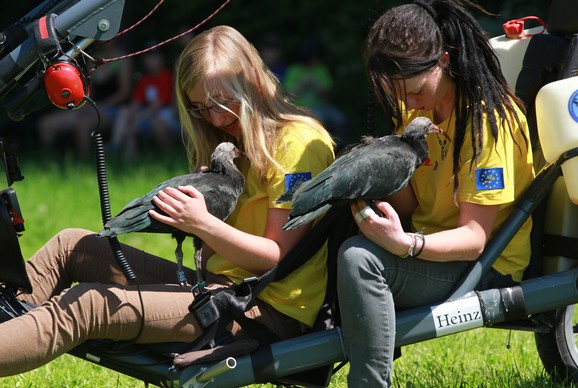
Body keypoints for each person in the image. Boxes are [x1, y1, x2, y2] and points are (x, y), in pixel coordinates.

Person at [0, 25, 335, 376]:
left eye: (225, 103)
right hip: (222, 288)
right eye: (201, 108)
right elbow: (211, 263)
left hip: (262, 310)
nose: (217, 118)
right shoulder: (233, 147)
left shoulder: (297, 144)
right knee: (72, 246)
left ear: (253, 80)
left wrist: (203, 223)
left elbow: (274, 258)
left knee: (88, 305)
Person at [336, 0, 535, 386]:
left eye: (413, 91)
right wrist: (361, 177)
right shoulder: (415, 112)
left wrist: (405, 244)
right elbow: (411, 203)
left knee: (360, 259)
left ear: (442, 60)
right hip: (432, 246)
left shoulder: (488, 121)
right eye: (397, 93)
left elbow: (475, 239)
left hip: (487, 265)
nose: (407, 104)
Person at [36, 40, 134, 156]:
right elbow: (88, 91)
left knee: (83, 124)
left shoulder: (122, 60)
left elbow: (124, 93)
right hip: (90, 106)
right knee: (46, 124)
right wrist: (85, 106)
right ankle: (50, 163)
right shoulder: (91, 59)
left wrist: (98, 106)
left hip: (114, 109)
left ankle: (85, 164)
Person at [109, 46, 180, 159]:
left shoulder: (167, 76)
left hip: (163, 114)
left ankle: (169, 157)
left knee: (153, 123)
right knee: (125, 112)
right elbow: (136, 103)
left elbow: (160, 104)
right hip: (148, 114)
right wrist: (132, 115)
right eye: (148, 57)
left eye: (155, 57)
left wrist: (139, 117)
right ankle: (120, 151)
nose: (151, 61)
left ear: (162, 59)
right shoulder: (145, 79)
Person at [283, 36, 349, 144]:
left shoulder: (320, 69)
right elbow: (289, 96)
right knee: (320, 120)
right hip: (300, 107)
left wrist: (317, 84)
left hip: (321, 105)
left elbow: (327, 95)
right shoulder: (294, 70)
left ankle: (341, 145)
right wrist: (303, 83)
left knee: (340, 120)